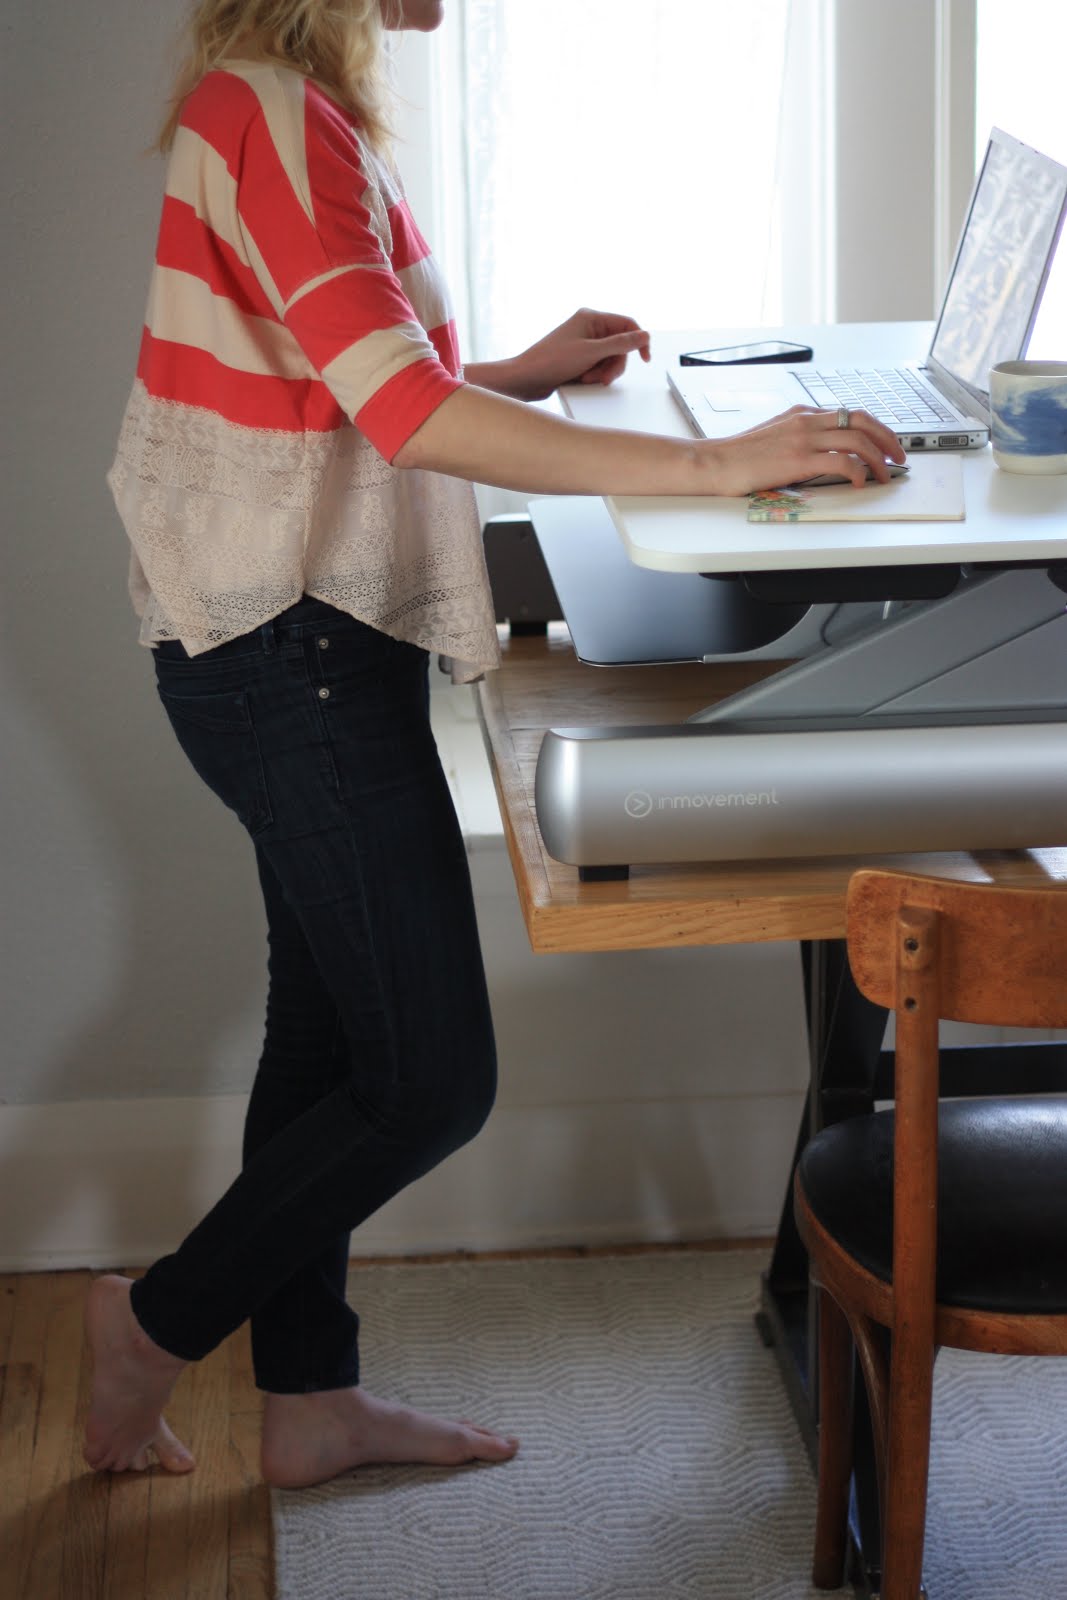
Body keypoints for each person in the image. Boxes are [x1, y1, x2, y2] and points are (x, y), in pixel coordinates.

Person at [91, 0, 905, 1488]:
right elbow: (399, 413)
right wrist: (719, 464)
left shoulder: (283, 105)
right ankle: (148, 1326)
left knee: (328, 1033)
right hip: (294, 654)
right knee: (429, 1082)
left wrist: (516, 372)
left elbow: (341, 377)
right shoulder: (268, 111)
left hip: (293, 637)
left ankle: (309, 1398)